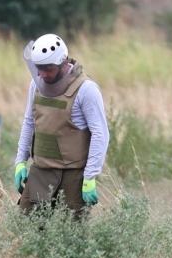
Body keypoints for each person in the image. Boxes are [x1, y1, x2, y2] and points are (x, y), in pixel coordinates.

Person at [12, 33, 110, 220]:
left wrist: (90, 176)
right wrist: (20, 162)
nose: (42, 74)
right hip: (41, 170)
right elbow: (29, 122)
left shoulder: (86, 89)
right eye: (39, 68)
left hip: (73, 174)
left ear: (63, 62)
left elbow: (100, 134)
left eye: (48, 69)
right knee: (26, 227)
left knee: (71, 232)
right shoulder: (36, 85)